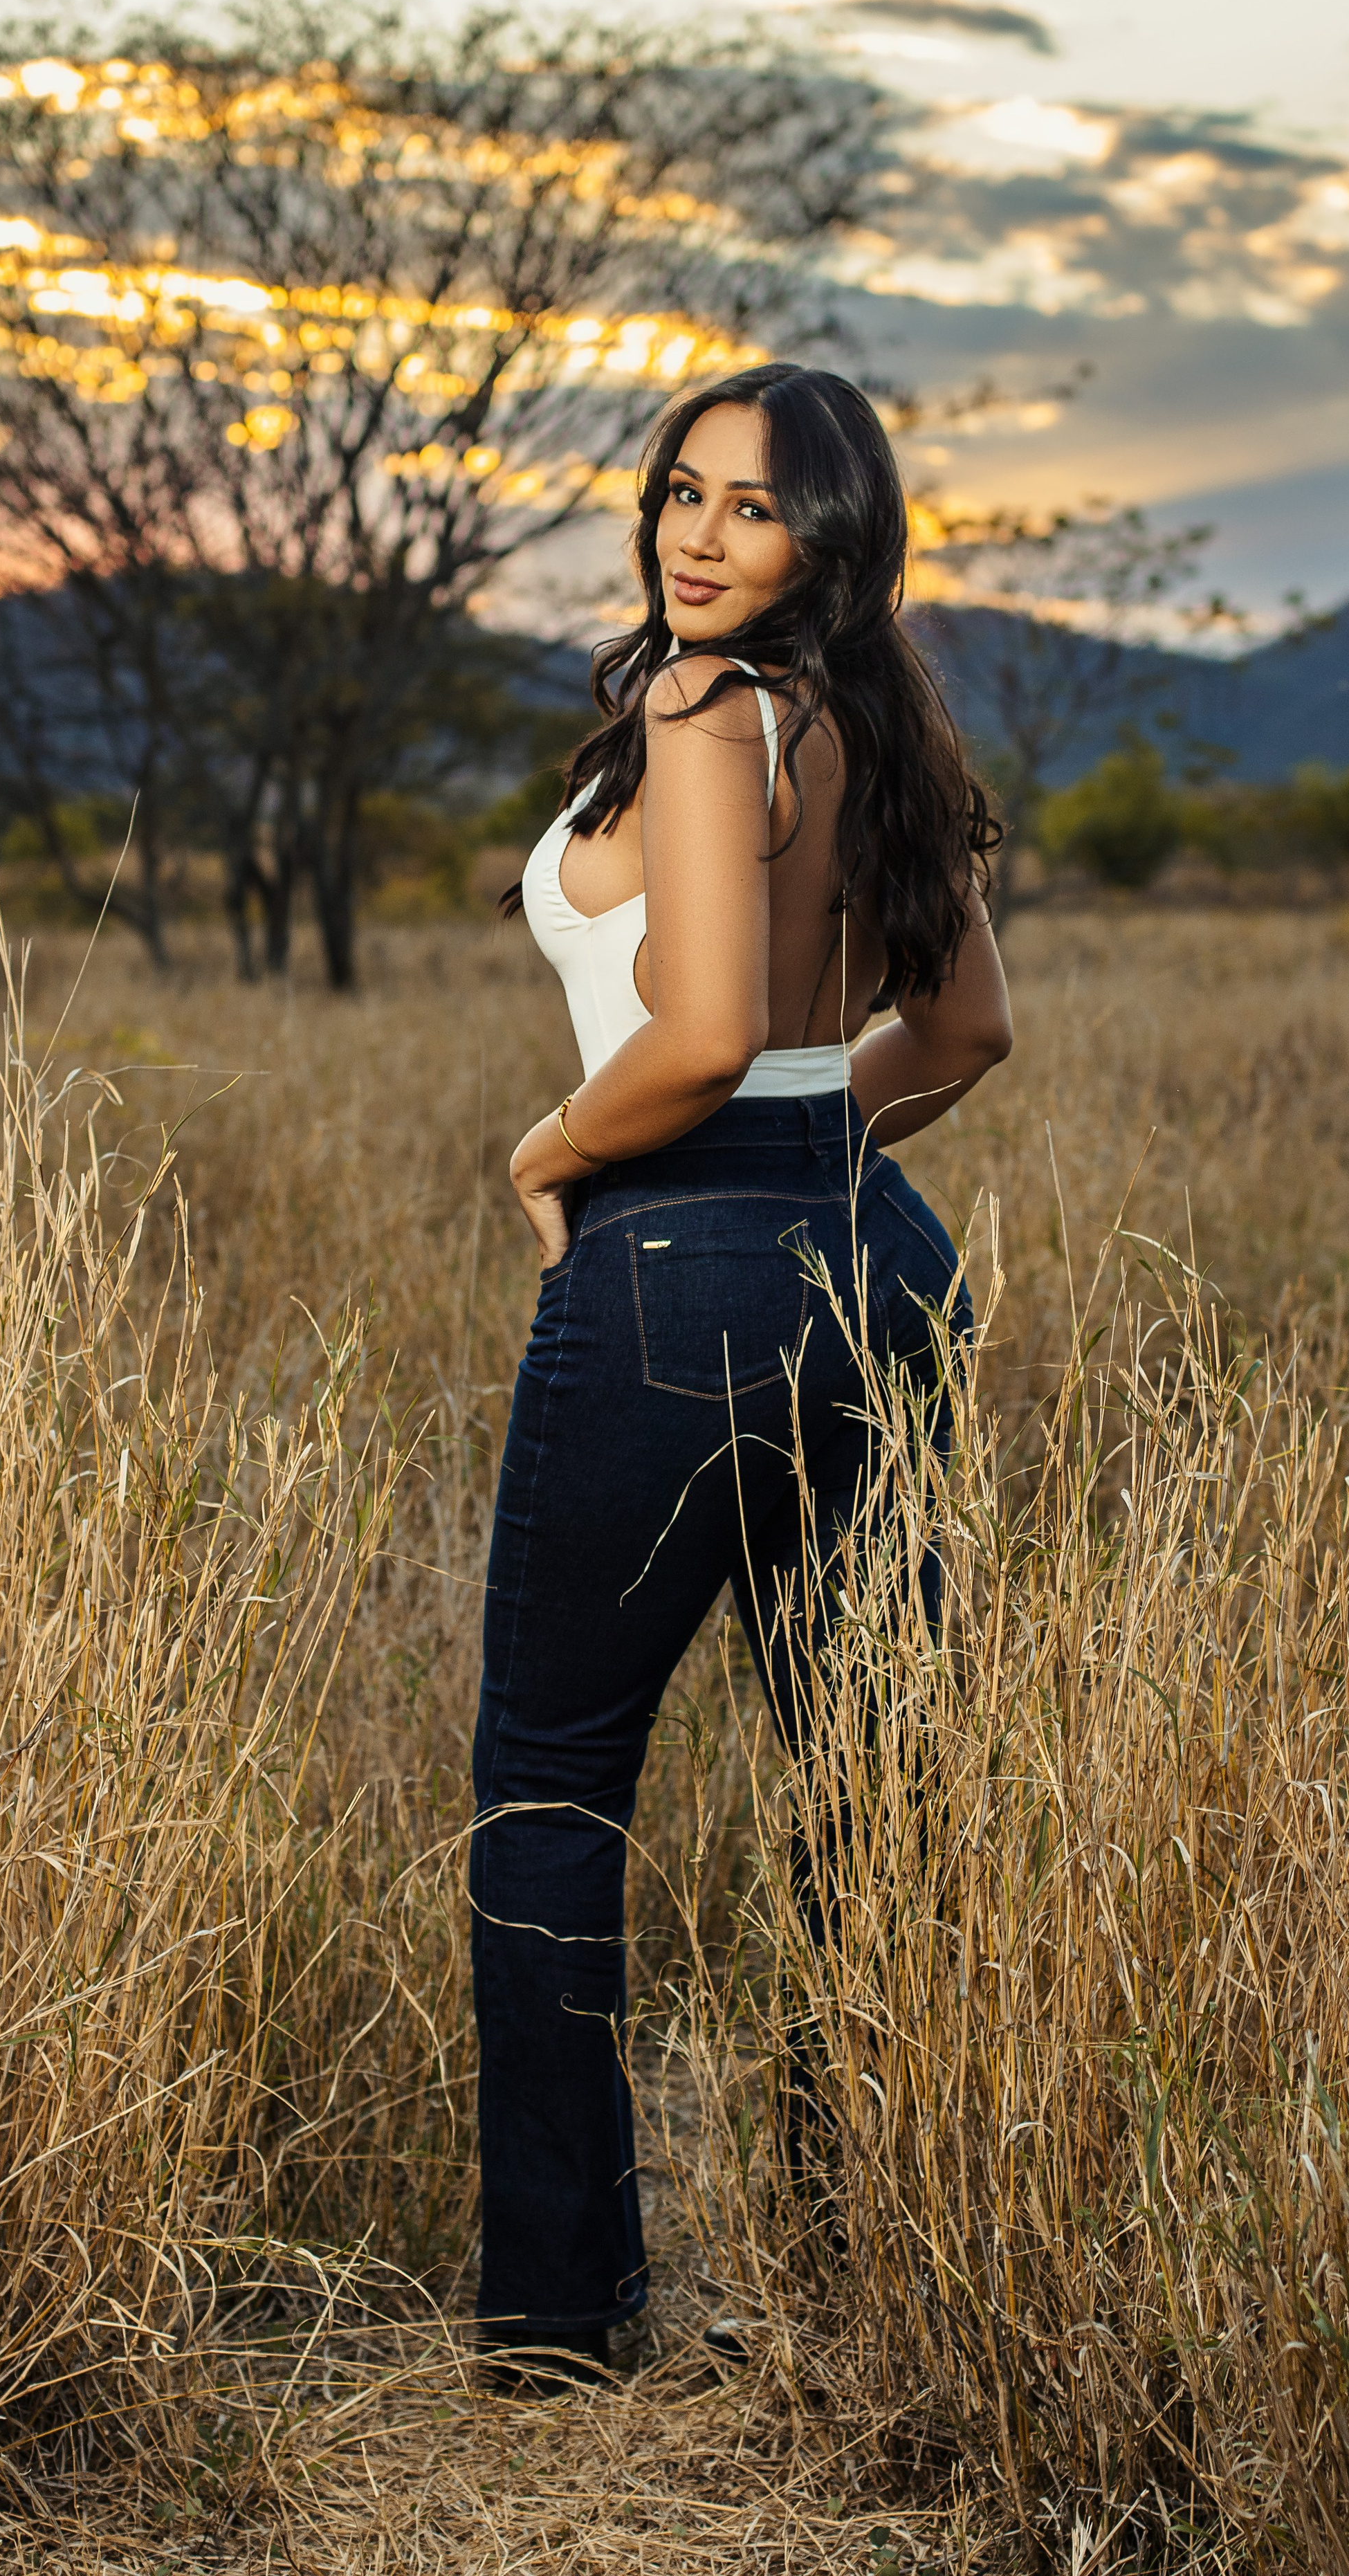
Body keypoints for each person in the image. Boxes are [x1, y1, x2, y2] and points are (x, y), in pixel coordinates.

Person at [471, 360, 1013, 2382]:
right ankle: (881, 2270)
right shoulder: (877, 725)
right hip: (872, 1251)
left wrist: (557, 1150)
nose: (698, 537)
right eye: (680, 494)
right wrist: (815, 1148)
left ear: (832, 540)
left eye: (753, 508)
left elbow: (695, 1033)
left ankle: (555, 2324)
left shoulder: (704, 716)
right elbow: (959, 1036)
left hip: (677, 1260)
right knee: (868, 1794)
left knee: (546, 1786)